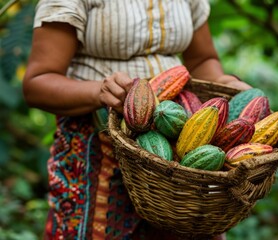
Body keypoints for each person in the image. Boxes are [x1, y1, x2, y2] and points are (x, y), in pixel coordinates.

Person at [23, 0, 252, 239]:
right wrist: (99, 92)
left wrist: (226, 83)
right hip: (100, 143)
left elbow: (202, 61)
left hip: (175, 141)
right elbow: (37, 83)